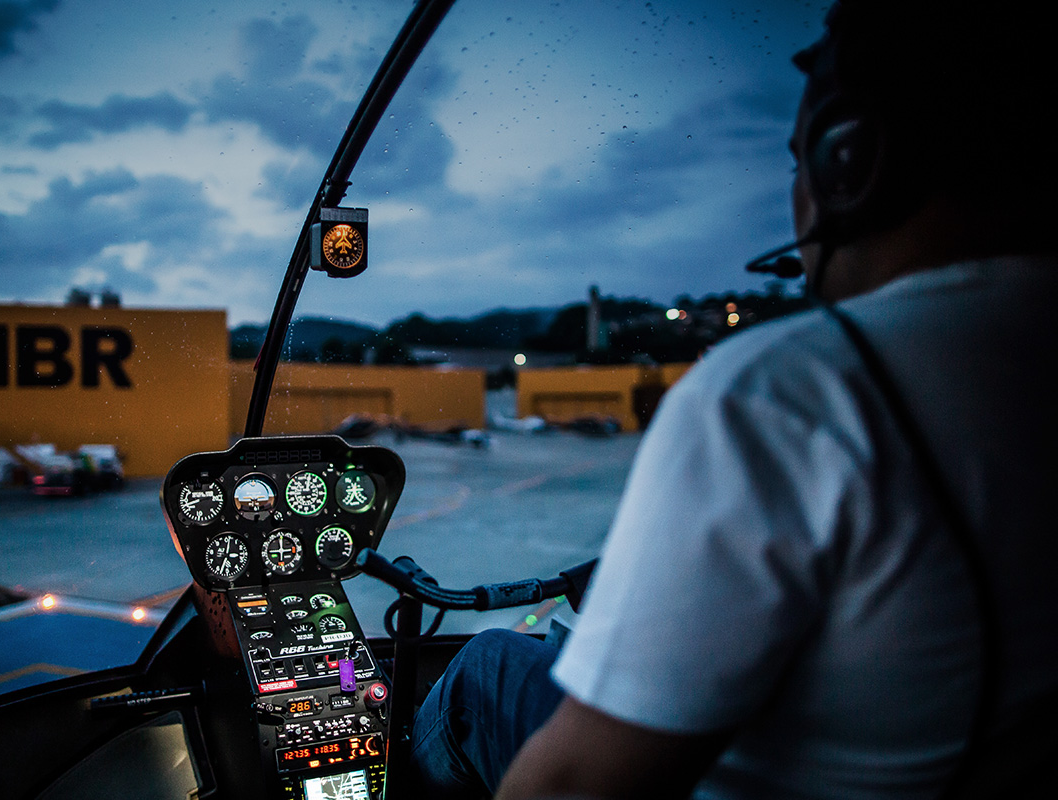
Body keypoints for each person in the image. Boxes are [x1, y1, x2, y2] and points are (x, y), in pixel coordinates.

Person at [409, 2, 1058, 797]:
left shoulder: (785, 390)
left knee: (486, 667)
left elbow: (572, 785)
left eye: (798, 163)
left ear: (847, 160)